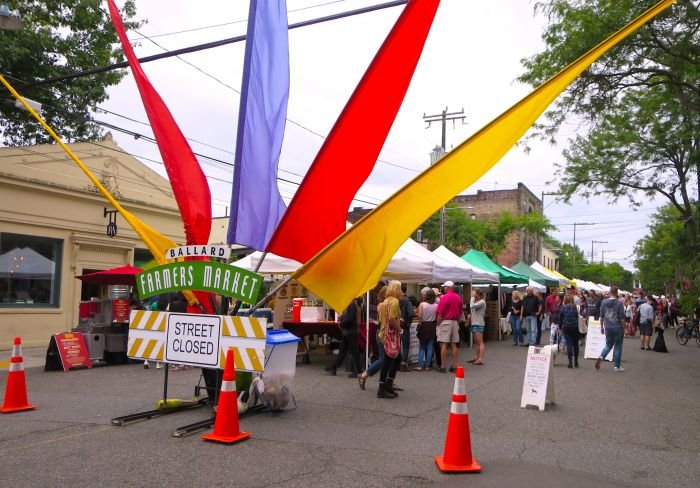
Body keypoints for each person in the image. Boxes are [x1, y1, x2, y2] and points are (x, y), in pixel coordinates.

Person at [357, 286, 387, 390]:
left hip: (383, 332)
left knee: (388, 358)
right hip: (383, 333)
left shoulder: (383, 303)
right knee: (383, 358)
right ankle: (364, 375)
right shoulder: (382, 305)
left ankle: (387, 381)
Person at [377, 280, 403, 399]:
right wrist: (400, 329)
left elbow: (382, 319)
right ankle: (383, 386)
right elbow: (392, 319)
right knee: (390, 361)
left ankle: (386, 384)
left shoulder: (385, 302)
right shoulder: (395, 301)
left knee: (394, 359)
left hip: (384, 333)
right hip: (391, 335)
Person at [325, 297, 362, 377]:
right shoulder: (349, 305)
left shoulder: (351, 305)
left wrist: (341, 323)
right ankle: (334, 367)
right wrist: (341, 320)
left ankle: (358, 372)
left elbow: (350, 319)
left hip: (351, 332)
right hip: (348, 332)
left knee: (353, 352)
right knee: (343, 350)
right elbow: (348, 318)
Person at [596, 286, 627, 372]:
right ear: (616, 293)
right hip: (617, 327)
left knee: (609, 345)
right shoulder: (619, 303)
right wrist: (625, 328)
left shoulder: (603, 302)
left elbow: (601, 316)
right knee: (618, 346)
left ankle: (601, 356)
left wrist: (601, 327)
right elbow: (622, 317)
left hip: (608, 326)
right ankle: (617, 366)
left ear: (610, 292)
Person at [436, 281, 463, 373]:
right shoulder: (458, 298)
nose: (444, 288)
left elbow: (440, 313)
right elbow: (460, 313)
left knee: (444, 344)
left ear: (448, 287)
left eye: (445, 287)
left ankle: (443, 366)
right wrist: (457, 322)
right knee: (454, 344)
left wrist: (438, 324)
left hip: (446, 322)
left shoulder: (444, 297)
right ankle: (454, 365)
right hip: (455, 322)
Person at [414, 289, 438, 371]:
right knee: (430, 347)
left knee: (422, 347)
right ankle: (428, 366)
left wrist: (415, 313)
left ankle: (420, 366)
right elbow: (436, 317)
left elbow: (420, 316)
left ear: (426, 296)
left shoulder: (422, 304)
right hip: (432, 326)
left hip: (424, 326)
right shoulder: (436, 305)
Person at [559, 294, 580, 368]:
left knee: (569, 344)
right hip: (575, 327)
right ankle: (576, 361)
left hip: (566, 327)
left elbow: (560, 318)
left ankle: (570, 362)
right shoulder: (575, 307)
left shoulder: (563, 307)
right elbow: (578, 316)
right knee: (575, 344)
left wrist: (560, 327)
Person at [467, 289, 486, 366]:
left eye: (474, 293)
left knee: (480, 342)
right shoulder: (477, 302)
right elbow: (473, 309)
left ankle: (480, 359)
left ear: (477, 294)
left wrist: (472, 297)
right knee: (476, 342)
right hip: (474, 323)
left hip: (479, 324)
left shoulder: (482, 302)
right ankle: (476, 357)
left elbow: (471, 306)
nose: (472, 294)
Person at [399, 283, 415, 372]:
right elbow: (411, 313)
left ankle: (396, 364)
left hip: (395, 325)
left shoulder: (395, 300)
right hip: (404, 326)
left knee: (396, 345)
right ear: (405, 291)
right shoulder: (407, 301)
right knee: (405, 346)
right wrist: (408, 321)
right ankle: (403, 364)